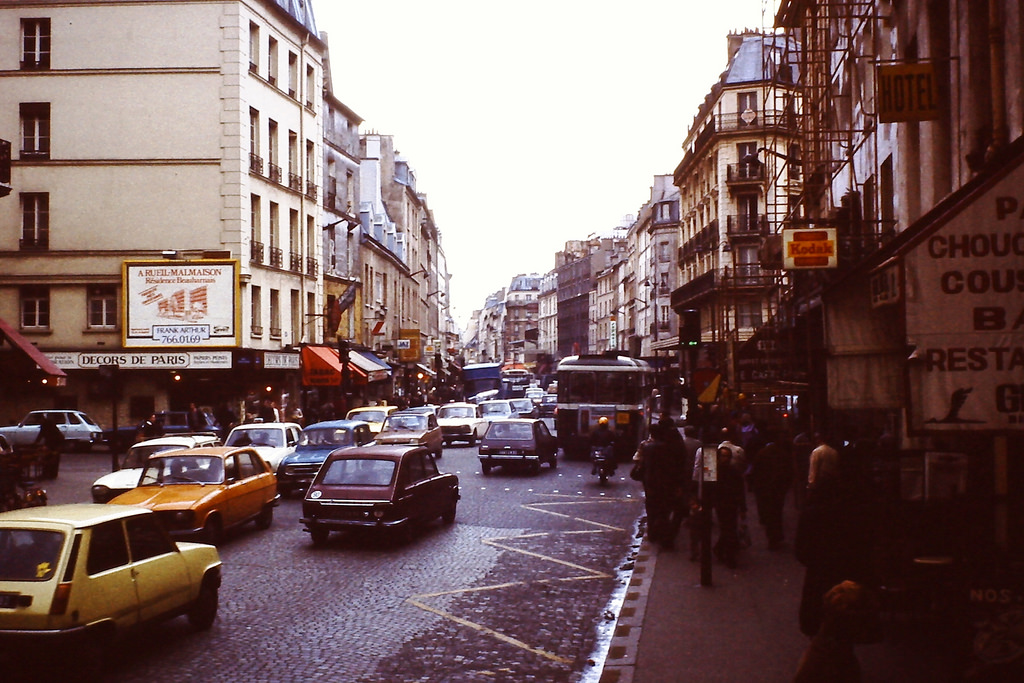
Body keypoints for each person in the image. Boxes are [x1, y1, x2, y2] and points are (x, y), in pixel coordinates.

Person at [795, 441, 872, 637]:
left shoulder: (812, 510)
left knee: (821, 619)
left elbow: (801, 548)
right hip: (843, 568)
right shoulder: (850, 510)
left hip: (818, 570)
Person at [638, 418, 691, 549]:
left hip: (653, 485)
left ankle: (654, 533)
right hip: (669, 484)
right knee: (667, 512)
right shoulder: (675, 447)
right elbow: (679, 466)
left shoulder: (649, 448)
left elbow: (646, 468)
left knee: (654, 510)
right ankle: (666, 538)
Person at [749, 427, 794, 550]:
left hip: (765, 488)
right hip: (777, 489)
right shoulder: (782, 454)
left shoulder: (762, 453)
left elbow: (755, 471)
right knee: (776, 513)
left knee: (770, 513)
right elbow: (788, 471)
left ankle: (773, 537)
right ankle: (776, 537)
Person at [709, 445, 746, 568]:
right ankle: (727, 556)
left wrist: (742, 507)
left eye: (727, 456)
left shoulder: (734, 471)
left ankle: (721, 550)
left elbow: (740, 490)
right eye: (723, 456)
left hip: (731, 504)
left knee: (728, 529)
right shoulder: (713, 469)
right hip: (721, 504)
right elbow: (709, 488)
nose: (725, 459)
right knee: (728, 529)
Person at [34, 415, 65, 479]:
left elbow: (50, 436)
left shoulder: (48, 424)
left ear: (41, 419)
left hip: (56, 443)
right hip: (53, 443)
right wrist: (36, 442)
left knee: (52, 458)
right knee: (49, 458)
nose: (38, 423)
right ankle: (49, 474)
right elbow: (41, 435)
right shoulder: (45, 424)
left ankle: (51, 474)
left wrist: (45, 445)